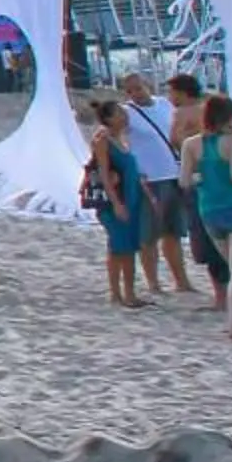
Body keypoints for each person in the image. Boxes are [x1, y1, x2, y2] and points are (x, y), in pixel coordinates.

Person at [118, 74, 200, 303]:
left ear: (148, 85)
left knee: (174, 231)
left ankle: (181, 280)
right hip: (150, 178)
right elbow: (117, 136)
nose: (136, 93)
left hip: (174, 173)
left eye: (139, 88)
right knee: (150, 233)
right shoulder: (127, 112)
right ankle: (153, 282)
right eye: (131, 90)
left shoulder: (164, 104)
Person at [179, 92, 232, 342]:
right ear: (229, 117)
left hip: (210, 210)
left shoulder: (191, 143)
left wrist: (206, 179)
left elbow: (185, 181)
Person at [162, 74, 230, 305]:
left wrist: (192, 144)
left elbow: (175, 140)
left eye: (172, 93)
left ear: (182, 92)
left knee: (206, 237)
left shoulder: (182, 113)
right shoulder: (213, 108)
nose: (170, 98)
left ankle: (221, 297)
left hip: (199, 178)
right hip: (224, 177)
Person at [86, 99, 149, 310]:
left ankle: (127, 292)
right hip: (114, 199)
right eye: (119, 113)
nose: (124, 116)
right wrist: (116, 203)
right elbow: (103, 173)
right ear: (108, 118)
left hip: (131, 196)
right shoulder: (103, 139)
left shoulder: (121, 138)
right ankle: (119, 293)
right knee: (120, 246)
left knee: (128, 245)